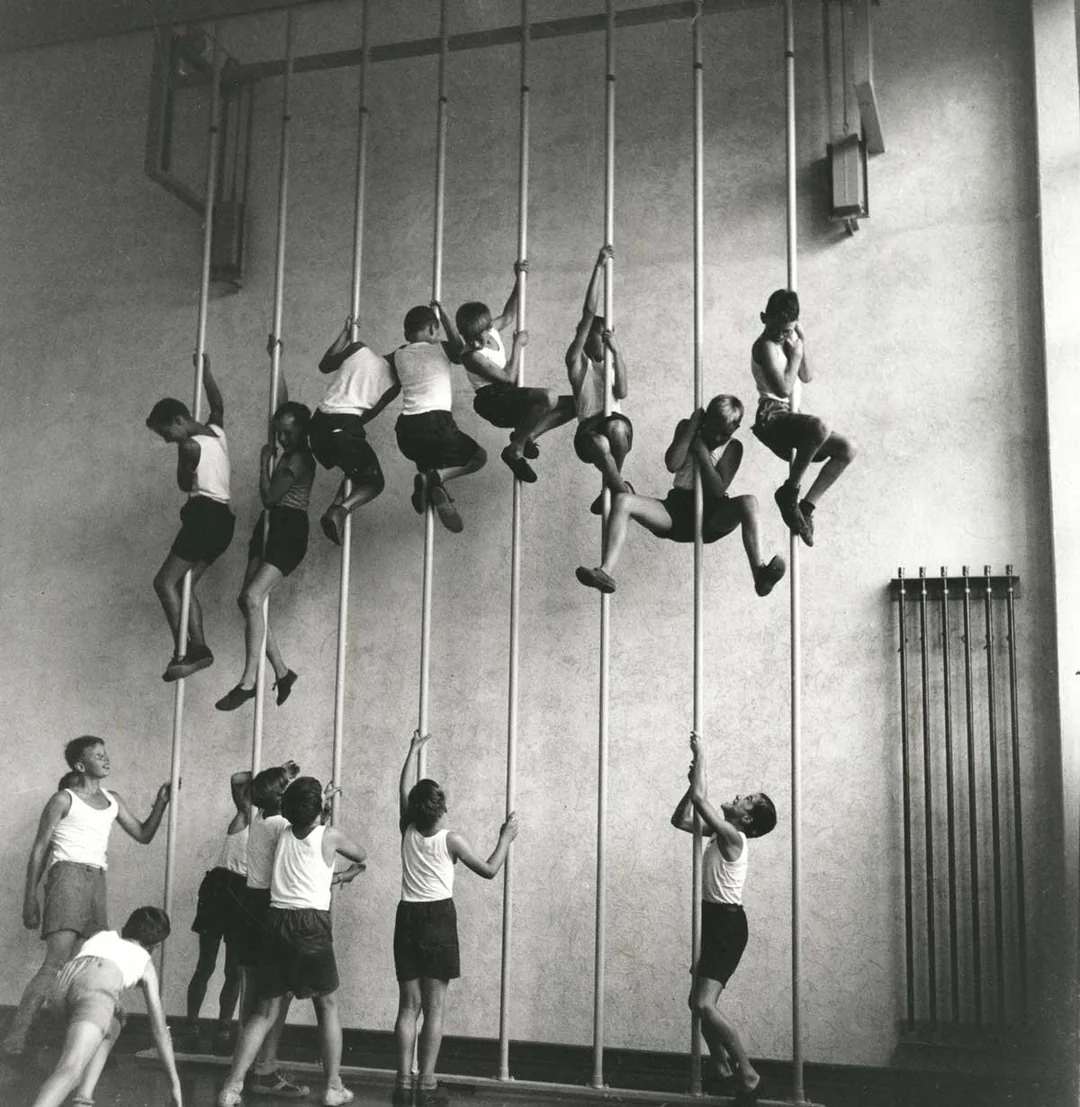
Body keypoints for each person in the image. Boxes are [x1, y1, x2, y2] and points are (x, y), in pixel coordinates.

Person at [4, 737, 170, 1059]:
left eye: (106, 753)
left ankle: (80, 1036)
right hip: (67, 876)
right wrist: (29, 898)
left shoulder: (113, 799)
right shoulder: (64, 799)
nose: (106, 759)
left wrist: (160, 802)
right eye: (98, 755)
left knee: (93, 962)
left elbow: (144, 835)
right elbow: (40, 848)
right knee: (56, 963)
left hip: (97, 880)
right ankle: (16, 1036)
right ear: (80, 765)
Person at [218, 776, 366, 1107]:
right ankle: (333, 1086)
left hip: (276, 921)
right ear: (321, 810)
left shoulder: (280, 830)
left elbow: (297, 816)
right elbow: (361, 853)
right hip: (310, 924)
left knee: (264, 1010)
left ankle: (232, 1086)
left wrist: (316, 804)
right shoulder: (330, 835)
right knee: (326, 1006)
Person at [393, 731, 519, 1107]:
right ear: (442, 808)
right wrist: (506, 837)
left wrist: (412, 751)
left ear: (415, 810)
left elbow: (400, 790)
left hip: (407, 916)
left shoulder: (407, 829)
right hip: (438, 919)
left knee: (407, 1007)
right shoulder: (452, 840)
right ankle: (427, 1084)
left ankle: (402, 1083)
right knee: (435, 1008)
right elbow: (491, 870)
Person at [575, 397, 785, 597]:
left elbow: (717, 490)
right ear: (706, 420)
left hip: (712, 515)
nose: (718, 438)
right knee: (623, 501)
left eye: (725, 434)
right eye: (713, 430)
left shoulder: (734, 447)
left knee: (749, 502)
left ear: (735, 429)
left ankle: (759, 572)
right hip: (676, 511)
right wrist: (692, 429)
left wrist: (702, 454)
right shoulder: (687, 428)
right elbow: (672, 464)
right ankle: (605, 572)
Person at [670, 732, 777, 1104]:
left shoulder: (734, 837)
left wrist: (702, 757)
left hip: (729, 927)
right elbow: (681, 817)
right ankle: (721, 1068)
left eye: (745, 799)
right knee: (695, 1003)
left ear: (747, 818)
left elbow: (702, 800)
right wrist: (690, 784)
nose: (737, 797)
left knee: (703, 1005)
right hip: (717, 923)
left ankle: (747, 1074)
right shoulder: (720, 834)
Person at [216, 382, 314, 713]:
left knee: (251, 597)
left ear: (301, 431)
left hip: (288, 528)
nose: (282, 439)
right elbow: (280, 401)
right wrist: (279, 356)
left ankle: (248, 682)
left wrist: (262, 464)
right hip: (268, 527)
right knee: (248, 603)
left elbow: (270, 498)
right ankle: (283, 674)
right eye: (279, 433)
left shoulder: (298, 459)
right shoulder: (288, 448)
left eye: (287, 434)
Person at [29, 906, 182, 1107]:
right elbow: (160, 1030)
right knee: (70, 1069)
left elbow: (82, 969)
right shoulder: (145, 963)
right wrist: (175, 1084)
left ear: (126, 927)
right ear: (156, 946)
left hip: (61, 988)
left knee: (115, 1019)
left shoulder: (102, 937)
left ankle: (83, 1099)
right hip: (95, 991)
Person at [147, 354, 236, 682]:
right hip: (224, 521)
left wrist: (180, 453)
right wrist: (207, 372)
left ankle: (183, 651)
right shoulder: (216, 432)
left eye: (165, 432)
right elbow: (217, 404)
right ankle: (200, 648)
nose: (166, 439)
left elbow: (185, 484)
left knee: (163, 582)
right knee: (185, 585)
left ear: (178, 420)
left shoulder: (188, 447)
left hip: (204, 517)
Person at [750, 290, 856, 546]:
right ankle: (790, 491)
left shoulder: (790, 338)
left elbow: (806, 376)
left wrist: (801, 343)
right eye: (777, 330)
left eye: (787, 330)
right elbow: (783, 389)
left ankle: (806, 508)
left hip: (792, 417)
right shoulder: (764, 346)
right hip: (772, 416)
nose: (782, 336)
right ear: (764, 318)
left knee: (847, 449)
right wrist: (794, 355)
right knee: (820, 426)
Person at [231, 760, 310, 1100]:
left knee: (253, 995)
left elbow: (243, 782)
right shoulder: (282, 825)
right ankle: (265, 1067)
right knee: (275, 998)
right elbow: (310, 837)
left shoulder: (258, 817)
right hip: (269, 908)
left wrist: (280, 776)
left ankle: (248, 1066)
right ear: (282, 795)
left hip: (248, 904)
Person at [455, 261, 575, 483]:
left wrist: (520, 279)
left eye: (482, 333)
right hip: (493, 401)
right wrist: (518, 345)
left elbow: (509, 315)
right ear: (464, 334)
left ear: (487, 326)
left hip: (508, 395)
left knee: (575, 404)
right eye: (470, 338)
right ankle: (516, 448)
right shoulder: (470, 356)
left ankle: (527, 435)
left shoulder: (490, 329)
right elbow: (509, 378)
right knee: (548, 397)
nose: (478, 341)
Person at [392, 303, 486, 533]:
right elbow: (460, 348)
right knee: (478, 457)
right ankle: (438, 477)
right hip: (436, 423)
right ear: (434, 328)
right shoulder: (441, 348)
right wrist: (444, 315)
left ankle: (437, 487)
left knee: (430, 466)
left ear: (407, 333)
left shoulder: (398, 354)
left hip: (406, 431)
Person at [312, 319, 401, 545]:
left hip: (317, 428)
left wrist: (344, 333)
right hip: (343, 427)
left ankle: (336, 507)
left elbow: (325, 365)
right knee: (374, 481)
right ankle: (341, 509)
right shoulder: (394, 386)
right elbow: (365, 416)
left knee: (355, 466)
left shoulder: (359, 348)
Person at [184, 770, 252, 1055]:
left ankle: (225, 1026)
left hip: (245, 893)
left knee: (234, 969)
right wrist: (268, 775)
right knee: (206, 963)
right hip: (220, 888)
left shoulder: (277, 827)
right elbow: (237, 779)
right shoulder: (246, 816)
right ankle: (191, 1024)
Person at [565, 245, 633, 513]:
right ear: (587, 337)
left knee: (615, 430)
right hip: (589, 430)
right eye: (600, 334)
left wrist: (617, 352)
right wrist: (599, 267)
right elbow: (588, 314)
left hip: (616, 424)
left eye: (609, 334)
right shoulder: (578, 364)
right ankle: (622, 491)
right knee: (600, 442)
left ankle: (609, 488)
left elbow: (623, 392)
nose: (605, 338)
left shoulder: (612, 362)